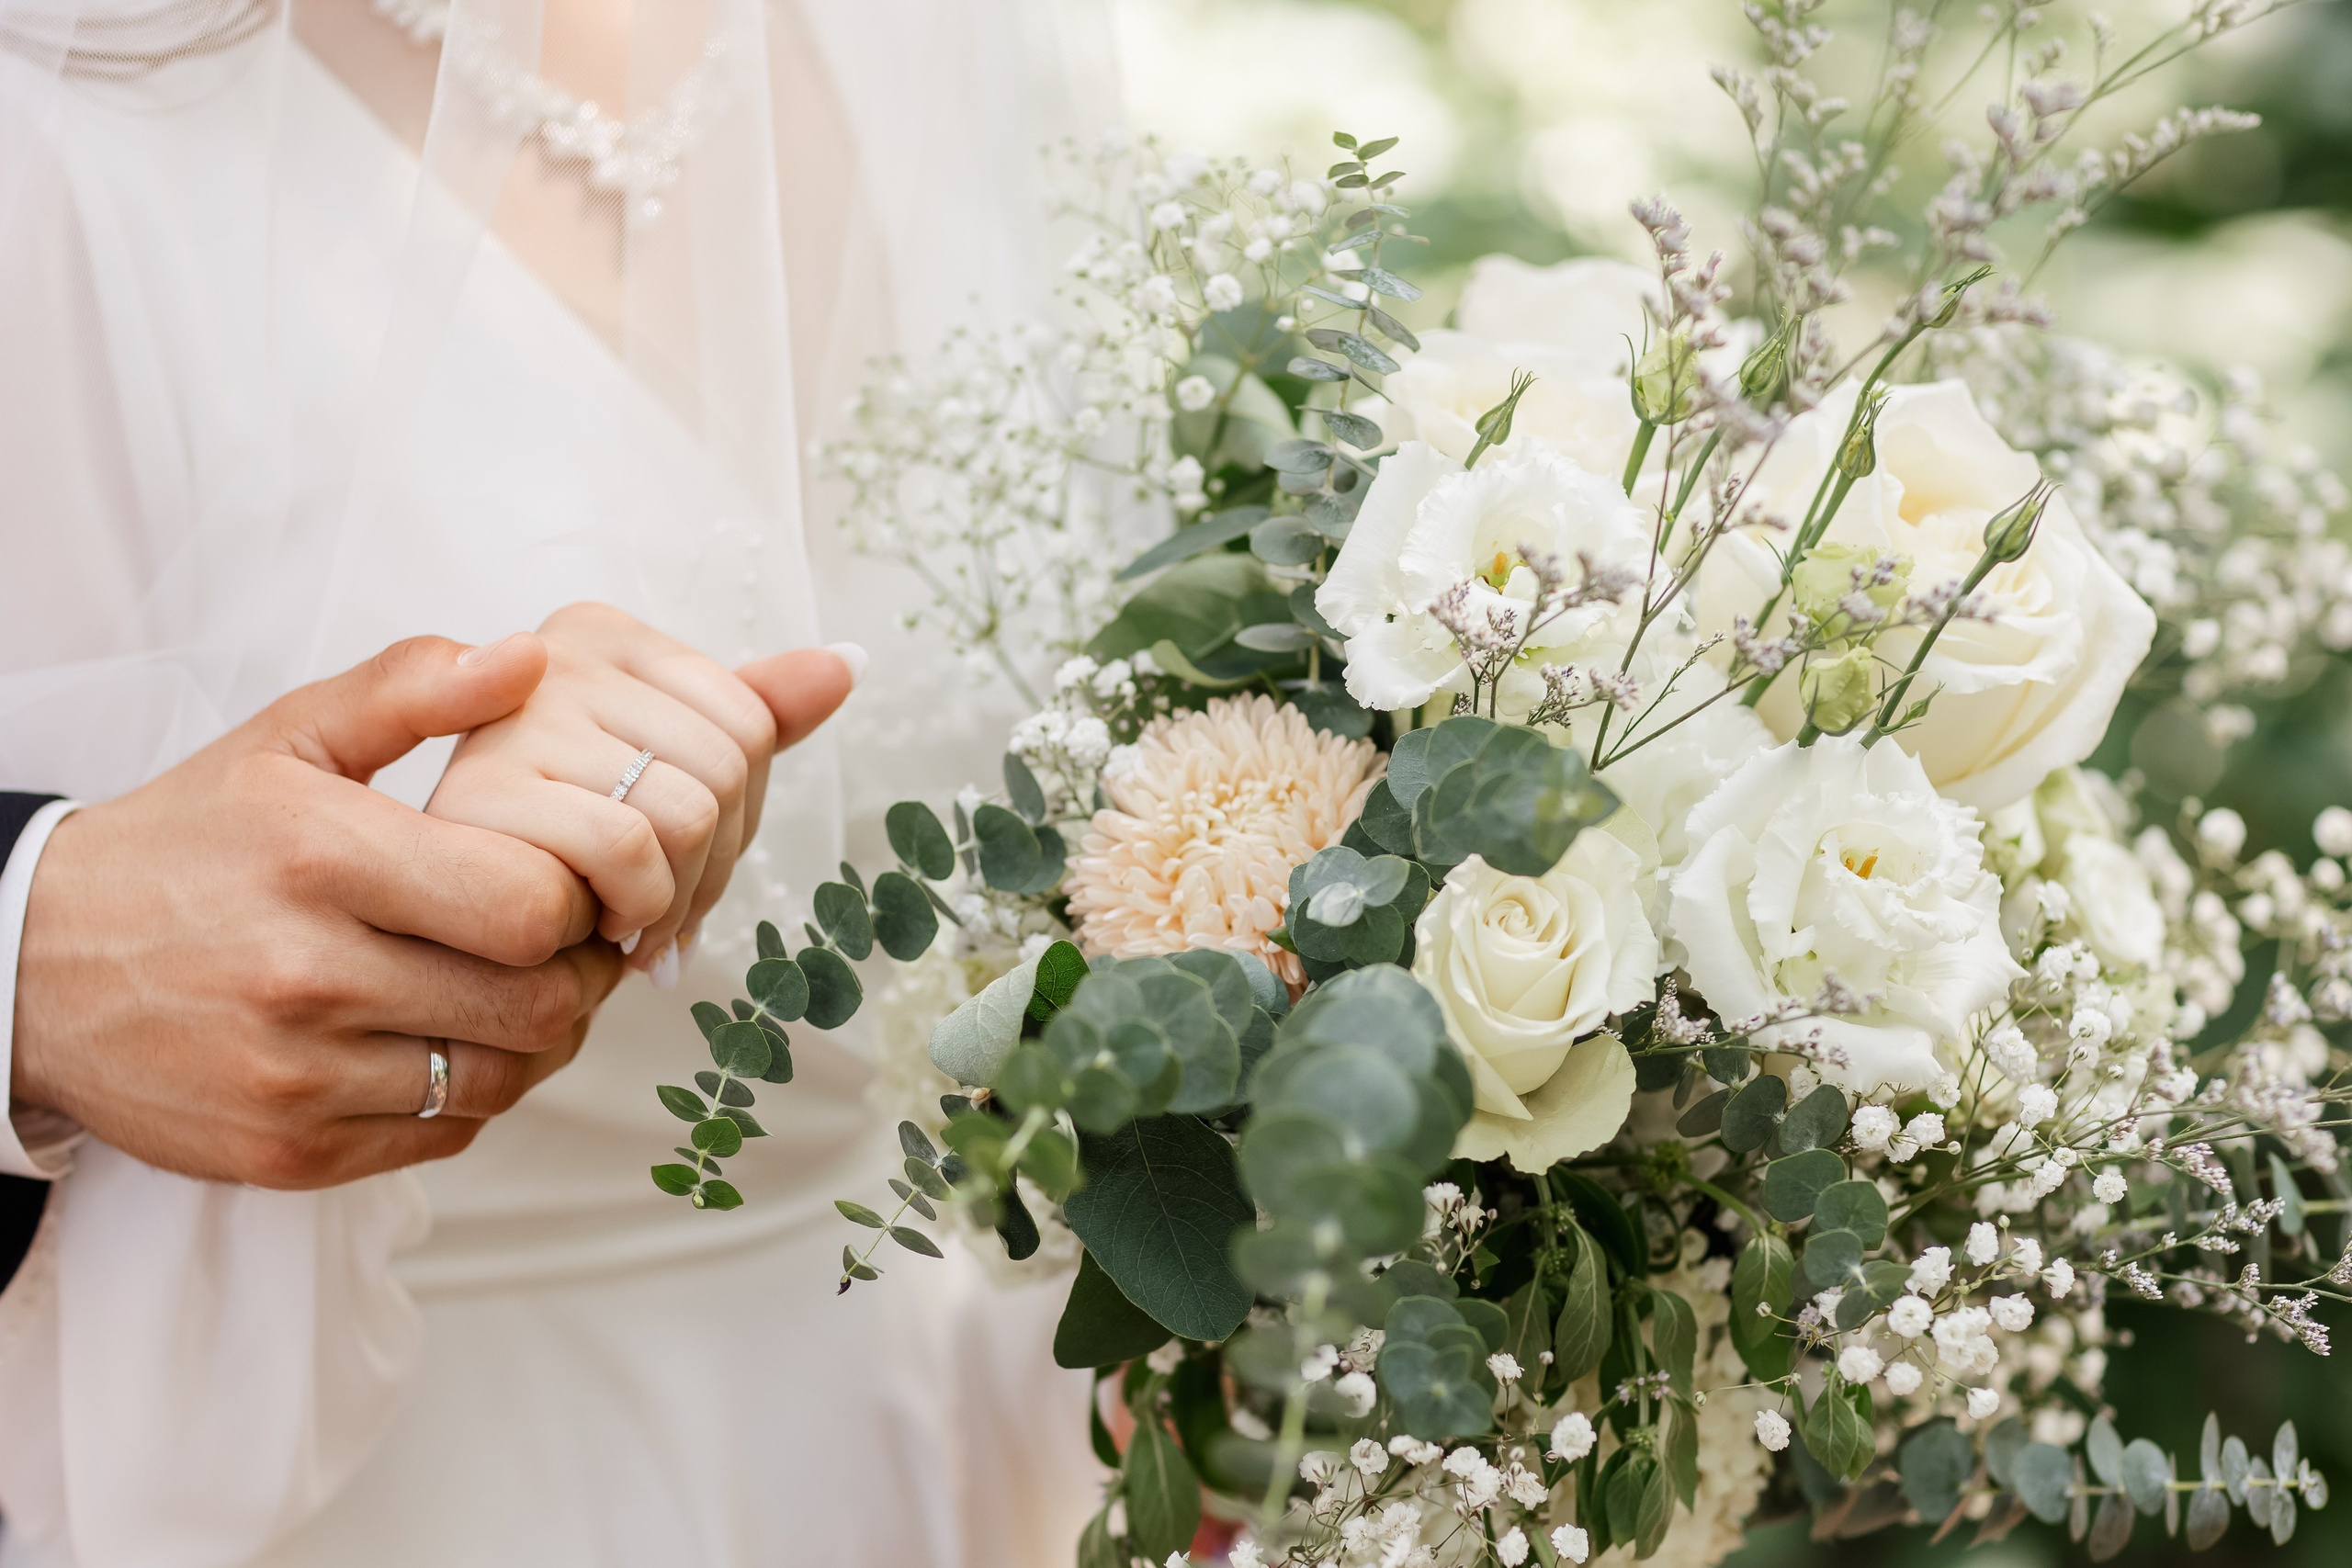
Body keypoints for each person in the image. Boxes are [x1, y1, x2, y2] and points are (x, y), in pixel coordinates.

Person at [0, 1, 1110, 1562]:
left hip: (896, 1456)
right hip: (367, 1480)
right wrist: (31, 965)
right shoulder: (68, 102)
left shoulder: (941, 49)